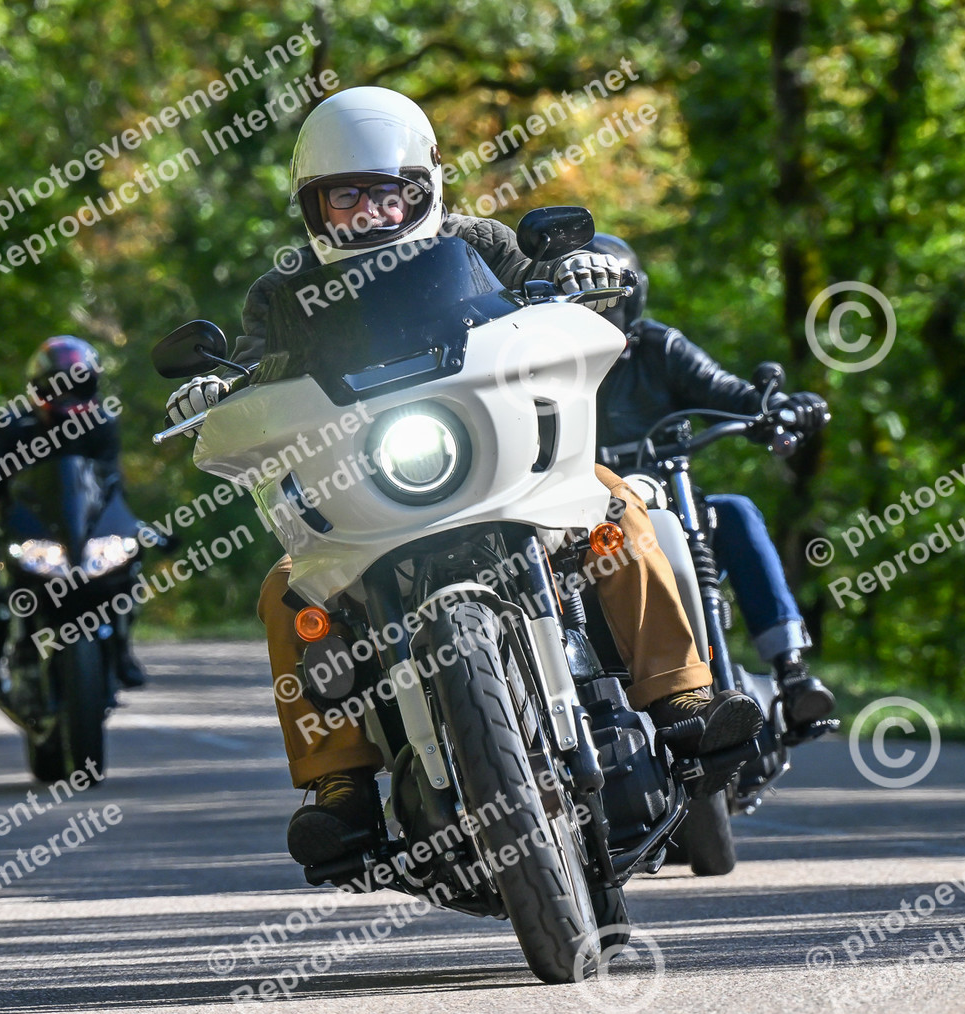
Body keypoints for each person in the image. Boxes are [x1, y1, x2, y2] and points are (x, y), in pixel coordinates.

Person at [164, 85, 765, 869]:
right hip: (369, 494)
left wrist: (572, 271)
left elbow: (541, 295)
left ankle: (683, 697)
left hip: (503, 462)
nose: (367, 211)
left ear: (424, 185)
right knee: (287, 590)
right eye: (344, 196)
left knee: (615, 505)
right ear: (313, 205)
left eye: (386, 192)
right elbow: (252, 368)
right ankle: (339, 786)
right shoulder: (281, 294)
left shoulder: (479, 241)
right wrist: (219, 385)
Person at [586, 233, 836, 731]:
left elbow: (727, 392)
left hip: (669, 501)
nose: (600, 309)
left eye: (610, 297)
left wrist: (776, 408)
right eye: (588, 299)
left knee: (736, 511)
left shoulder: (659, 348)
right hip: (593, 522)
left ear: (633, 297)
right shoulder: (550, 365)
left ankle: (791, 672)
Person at [0, 336, 145, 699]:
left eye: (78, 385)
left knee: (128, 568)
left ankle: (122, 648)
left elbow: (111, 482)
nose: (68, 395)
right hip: (29, 528)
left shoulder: (102, 423)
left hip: (85, 532)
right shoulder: (14, 425)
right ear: (38, 388)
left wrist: (127, 525)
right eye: (58, 386)